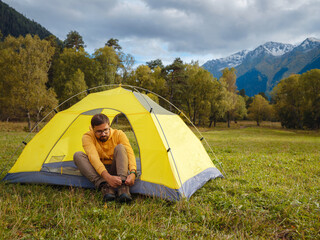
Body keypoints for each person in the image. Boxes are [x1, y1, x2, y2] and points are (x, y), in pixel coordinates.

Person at [73, 113, 137, 203]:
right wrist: (107, 178)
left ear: (109, 126)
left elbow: (130, 153)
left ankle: (123, 186)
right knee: (78, 155)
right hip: (99, 171)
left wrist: (133, 172)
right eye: (99, 131)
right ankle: (104, 186)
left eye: (106, 130)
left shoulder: (119, 134)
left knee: (120, 147)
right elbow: (93, 158)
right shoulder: (87, 137)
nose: (103, 134)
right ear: (92, 129)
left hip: (116, 167)